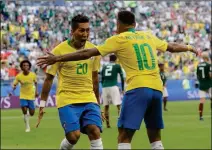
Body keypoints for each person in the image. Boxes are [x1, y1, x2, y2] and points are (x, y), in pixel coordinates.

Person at [37, 10, 198, 149]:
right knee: (155, 136)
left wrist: (58, 58)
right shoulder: (148, 35)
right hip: (157, 89)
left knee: (123, 136)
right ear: (135, 24)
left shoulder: (118, 39)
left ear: (119, 25)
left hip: (138, 88)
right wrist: (189, 47)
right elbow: (171, 47)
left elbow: (86, 54)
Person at [36, 15, 104, 149]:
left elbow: (95, 79)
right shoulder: (58, 51)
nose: (85, 34)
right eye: (81, 30)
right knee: (74, 136)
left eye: (87, 30)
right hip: (67, 98)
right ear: (72, 32)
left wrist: (98, 103)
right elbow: (49, 79)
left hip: (88, 97)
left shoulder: (94, 50)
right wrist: (42, 104)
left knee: (94, 130)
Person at [9, 60, 38, 132]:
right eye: (24, 65)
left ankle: (27, 115)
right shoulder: (19, 76)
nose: (25, 67)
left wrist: (36, 92)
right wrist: (13, 88)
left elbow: (36, 83)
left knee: (32, 113)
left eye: (27, 65)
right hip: (23, 95)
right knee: (24, 110)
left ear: (29, 67)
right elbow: (14, 84)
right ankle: (27, 126)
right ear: (21, 67)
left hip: (31, 95)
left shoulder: (33, 75)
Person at [100, 54, 125, 128]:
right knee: (118, 105)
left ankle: (108, 125)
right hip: (113, 86)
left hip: (105, 87)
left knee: (106, 106)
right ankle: (121, 123)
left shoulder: (104, 66)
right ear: (116, 59)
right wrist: (123, 88)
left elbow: (101, 78)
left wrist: (103, 85)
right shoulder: (117, 66)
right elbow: (121, 77)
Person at [196, 52, 212, 121]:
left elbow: (197, 75)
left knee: (202, 101)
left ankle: (201, 116)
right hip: (209, 84)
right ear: (207, 57)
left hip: (201, 84)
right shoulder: (209, 65)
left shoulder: (199, 65)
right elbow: (210, 75)